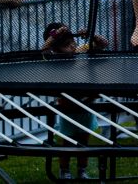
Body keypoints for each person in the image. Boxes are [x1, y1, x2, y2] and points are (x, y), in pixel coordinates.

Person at [42, 22, 108, 180]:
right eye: (66, 45)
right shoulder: (55, 59)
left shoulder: (81, 51)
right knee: (67, 142)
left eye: (73, 42)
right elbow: (44, 49)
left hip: (86, 105)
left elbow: (103, 44)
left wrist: (91, 35)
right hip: (67, 108)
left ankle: (82, 169)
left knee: (84, 141)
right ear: (57, 49)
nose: (72, 47)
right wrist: (55, 35)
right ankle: (64, 170)